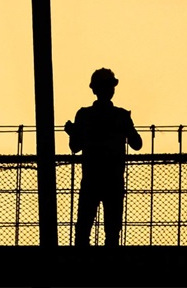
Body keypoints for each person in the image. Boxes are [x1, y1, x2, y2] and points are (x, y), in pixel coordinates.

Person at [64, 68, 142, 247]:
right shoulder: (121, 116)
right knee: (112, 233)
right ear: (112, 89)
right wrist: (126, 128)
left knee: (83, 231)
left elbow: (74, 147)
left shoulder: (84, 115)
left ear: (94, 89)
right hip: (114, 180)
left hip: (91, 179)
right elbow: (137, 144)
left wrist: (73, 132)